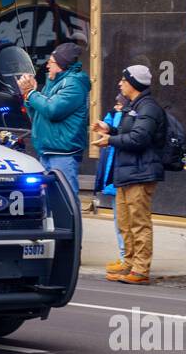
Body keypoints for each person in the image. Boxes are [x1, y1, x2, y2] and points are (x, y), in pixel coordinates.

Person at [91, 65, 164, 285]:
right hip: (127, 172)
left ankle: (140, 269)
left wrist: (110, 140)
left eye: (123, 80)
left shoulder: (148, 108)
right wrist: (109, 130)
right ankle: (129, 262)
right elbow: (129, 133)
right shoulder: (134, 106)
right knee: (125, 221)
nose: (120, 83)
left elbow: (139, 139)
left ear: (133, 83)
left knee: (139, 222)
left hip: (140, 173)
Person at [17, 42, 90, 198]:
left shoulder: (74, 84)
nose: (47, 66)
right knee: (49, 201)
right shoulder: (53, 83)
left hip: (63, 153)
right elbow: (37, 114)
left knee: (64, 199)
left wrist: (31, 93)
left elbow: (52, 110)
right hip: (47, 151)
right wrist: (28, 96)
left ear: (61, 65)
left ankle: (68, 224)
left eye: (51, 62)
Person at [94, 93, 129, 268]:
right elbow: (111, 129)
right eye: (116, 103)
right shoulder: (116, 115)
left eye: (120, 104)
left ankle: (127, 258)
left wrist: (109, 133)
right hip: (116, 173)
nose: (116, 106)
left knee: (126, 219)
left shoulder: (133, 116)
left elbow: (127, 138)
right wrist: (104, 127)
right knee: (120, 218)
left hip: (125, 174)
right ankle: (125, 256)